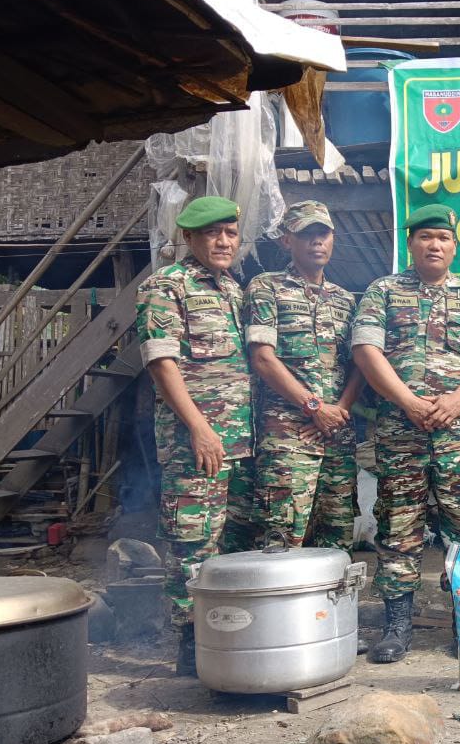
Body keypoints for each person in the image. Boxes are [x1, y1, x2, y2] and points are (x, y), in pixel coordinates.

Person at [351, 203, 460, 663]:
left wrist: (457, 399)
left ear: (454, 246)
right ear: (411, 242)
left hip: (457, 433)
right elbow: (365, 350)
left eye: (443, 238)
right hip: (402, 429)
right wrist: (408, 402)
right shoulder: (382, 292)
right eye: (425, 237)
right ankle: (398, 624)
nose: (434, 245)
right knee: (400, 524)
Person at [137, 196, 255, 600]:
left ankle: (229, 639)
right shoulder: (166, 285)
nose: (223, 241)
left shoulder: (233, 290)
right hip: (196, 444)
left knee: (237, 548)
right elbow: (161, 363)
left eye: (231, 233)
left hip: (238, 443)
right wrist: (199, 428)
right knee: (194, 545)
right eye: (212, 233)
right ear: (189, 237)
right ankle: (190, 646)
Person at [245, 200, 365, 552]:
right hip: (288, 436)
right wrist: (315, 407)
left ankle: (333, 610)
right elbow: (262, 359)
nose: (317, 241)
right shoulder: (266, 288)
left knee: (337, 536)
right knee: (281, 538)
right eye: (307, 234)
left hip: (337, 437)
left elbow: (360, 364)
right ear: (287, 241)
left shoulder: (345, 300)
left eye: (323, 233)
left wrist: (339, 409)